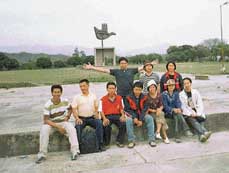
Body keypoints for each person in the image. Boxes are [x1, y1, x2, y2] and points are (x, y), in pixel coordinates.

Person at [36, 85, 79, 164]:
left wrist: (68, 116)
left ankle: (75, 151)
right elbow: (46, 120)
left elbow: (70, 109)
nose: (57, 94)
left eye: (58, 92)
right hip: (51, 123)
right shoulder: (48, 104)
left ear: (61, 93)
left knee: (72, 129)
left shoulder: (65, 101)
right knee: (44, 130)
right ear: (52, 93)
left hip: (62, 121)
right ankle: (42, 154)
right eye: (55, 92)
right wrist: (58, 127)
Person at [83, 57, 148, 100]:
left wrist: (151, 63)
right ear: (119, 64)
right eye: (121, 63)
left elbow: (142, 67)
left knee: (130, 109)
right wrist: (92, 67)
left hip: (130, 94)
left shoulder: (132, 70)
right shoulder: (116, 71)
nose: (123, 64)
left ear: (127, 64)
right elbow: (104, 70)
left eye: (125, 63)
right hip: (120, 94)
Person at [72, 79, 105, 152]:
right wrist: (77, 118)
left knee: (99, 123)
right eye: (80, 86)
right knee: (78, 127)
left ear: (88, 86)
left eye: (84, 86)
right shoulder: (77, 97)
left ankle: (100, 144)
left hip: (91, 118)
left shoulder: (93, 96)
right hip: (81, 118)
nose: (82, 88)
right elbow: (74, 109)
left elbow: (96, 106)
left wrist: (96, 113)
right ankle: (79, 147)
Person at [125, 81, 156, 148]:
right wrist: (135, 118)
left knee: (150, 118)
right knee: (128, 120)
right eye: (136, 89)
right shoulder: (128, 97)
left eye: (139, 90)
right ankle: (131, 141)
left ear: (142, 90)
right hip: (132, 115)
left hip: (142, 115)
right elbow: (128, 109)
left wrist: (140, 120)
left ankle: (152, 139)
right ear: (133, 89)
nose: (137, 91)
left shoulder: (144, 97)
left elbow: (145, 109)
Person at [179, 77, 212, 142]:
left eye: (188, 83)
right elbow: (183, 107)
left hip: (198, 112)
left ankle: (201, 136)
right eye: (185, 83)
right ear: (183, 85)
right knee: (193, 120)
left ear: (190, 83)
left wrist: (197, 113)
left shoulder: (196, 92)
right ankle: (205, 132)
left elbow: (200, 104)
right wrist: (190, 113)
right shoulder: (181, 94)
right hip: (188, 114)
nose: (186, 85)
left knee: (199, 120)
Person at [99, 82, 126, 148]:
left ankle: (119, 141)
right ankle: (107, 143)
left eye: (113, 88)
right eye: (110, 88)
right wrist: (104, 119)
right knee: (106, 125)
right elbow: (100, 110)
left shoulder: (119, 98)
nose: (111, 90)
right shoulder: (103, 99)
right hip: (107, 116)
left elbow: (122, 108)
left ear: (115, 89)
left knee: (123, 123)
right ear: (107, 89)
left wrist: (122, 115)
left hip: (117, 115)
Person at [146, 80, 170, 144]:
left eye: (153, 87)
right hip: (150, 113)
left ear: (156, 88)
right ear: (148, 88)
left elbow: (162, 105)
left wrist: (159, 109)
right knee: (162, 117)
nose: (152, 89)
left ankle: (158, 132)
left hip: (158, 112)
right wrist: (153, 110)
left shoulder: (159, 95)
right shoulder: (146, 96)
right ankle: (165, 137)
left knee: (161, 113)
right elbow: (145, 108)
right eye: (150, 87)